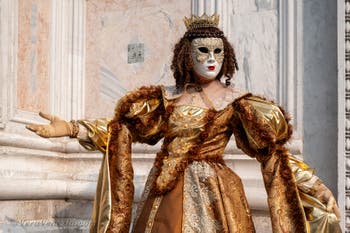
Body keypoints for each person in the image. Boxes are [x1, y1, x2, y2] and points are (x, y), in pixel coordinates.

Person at [26, 14, 341, 233]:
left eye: (217, 51)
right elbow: (123, 129)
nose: (210, 58)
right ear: (186, 56)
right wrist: (71, 128)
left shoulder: (237, 102)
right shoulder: (167, 99)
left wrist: (316, 188)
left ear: (227, 56)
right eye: (202, 51)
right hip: (166, 191)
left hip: (217, 193)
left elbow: (273, 154)